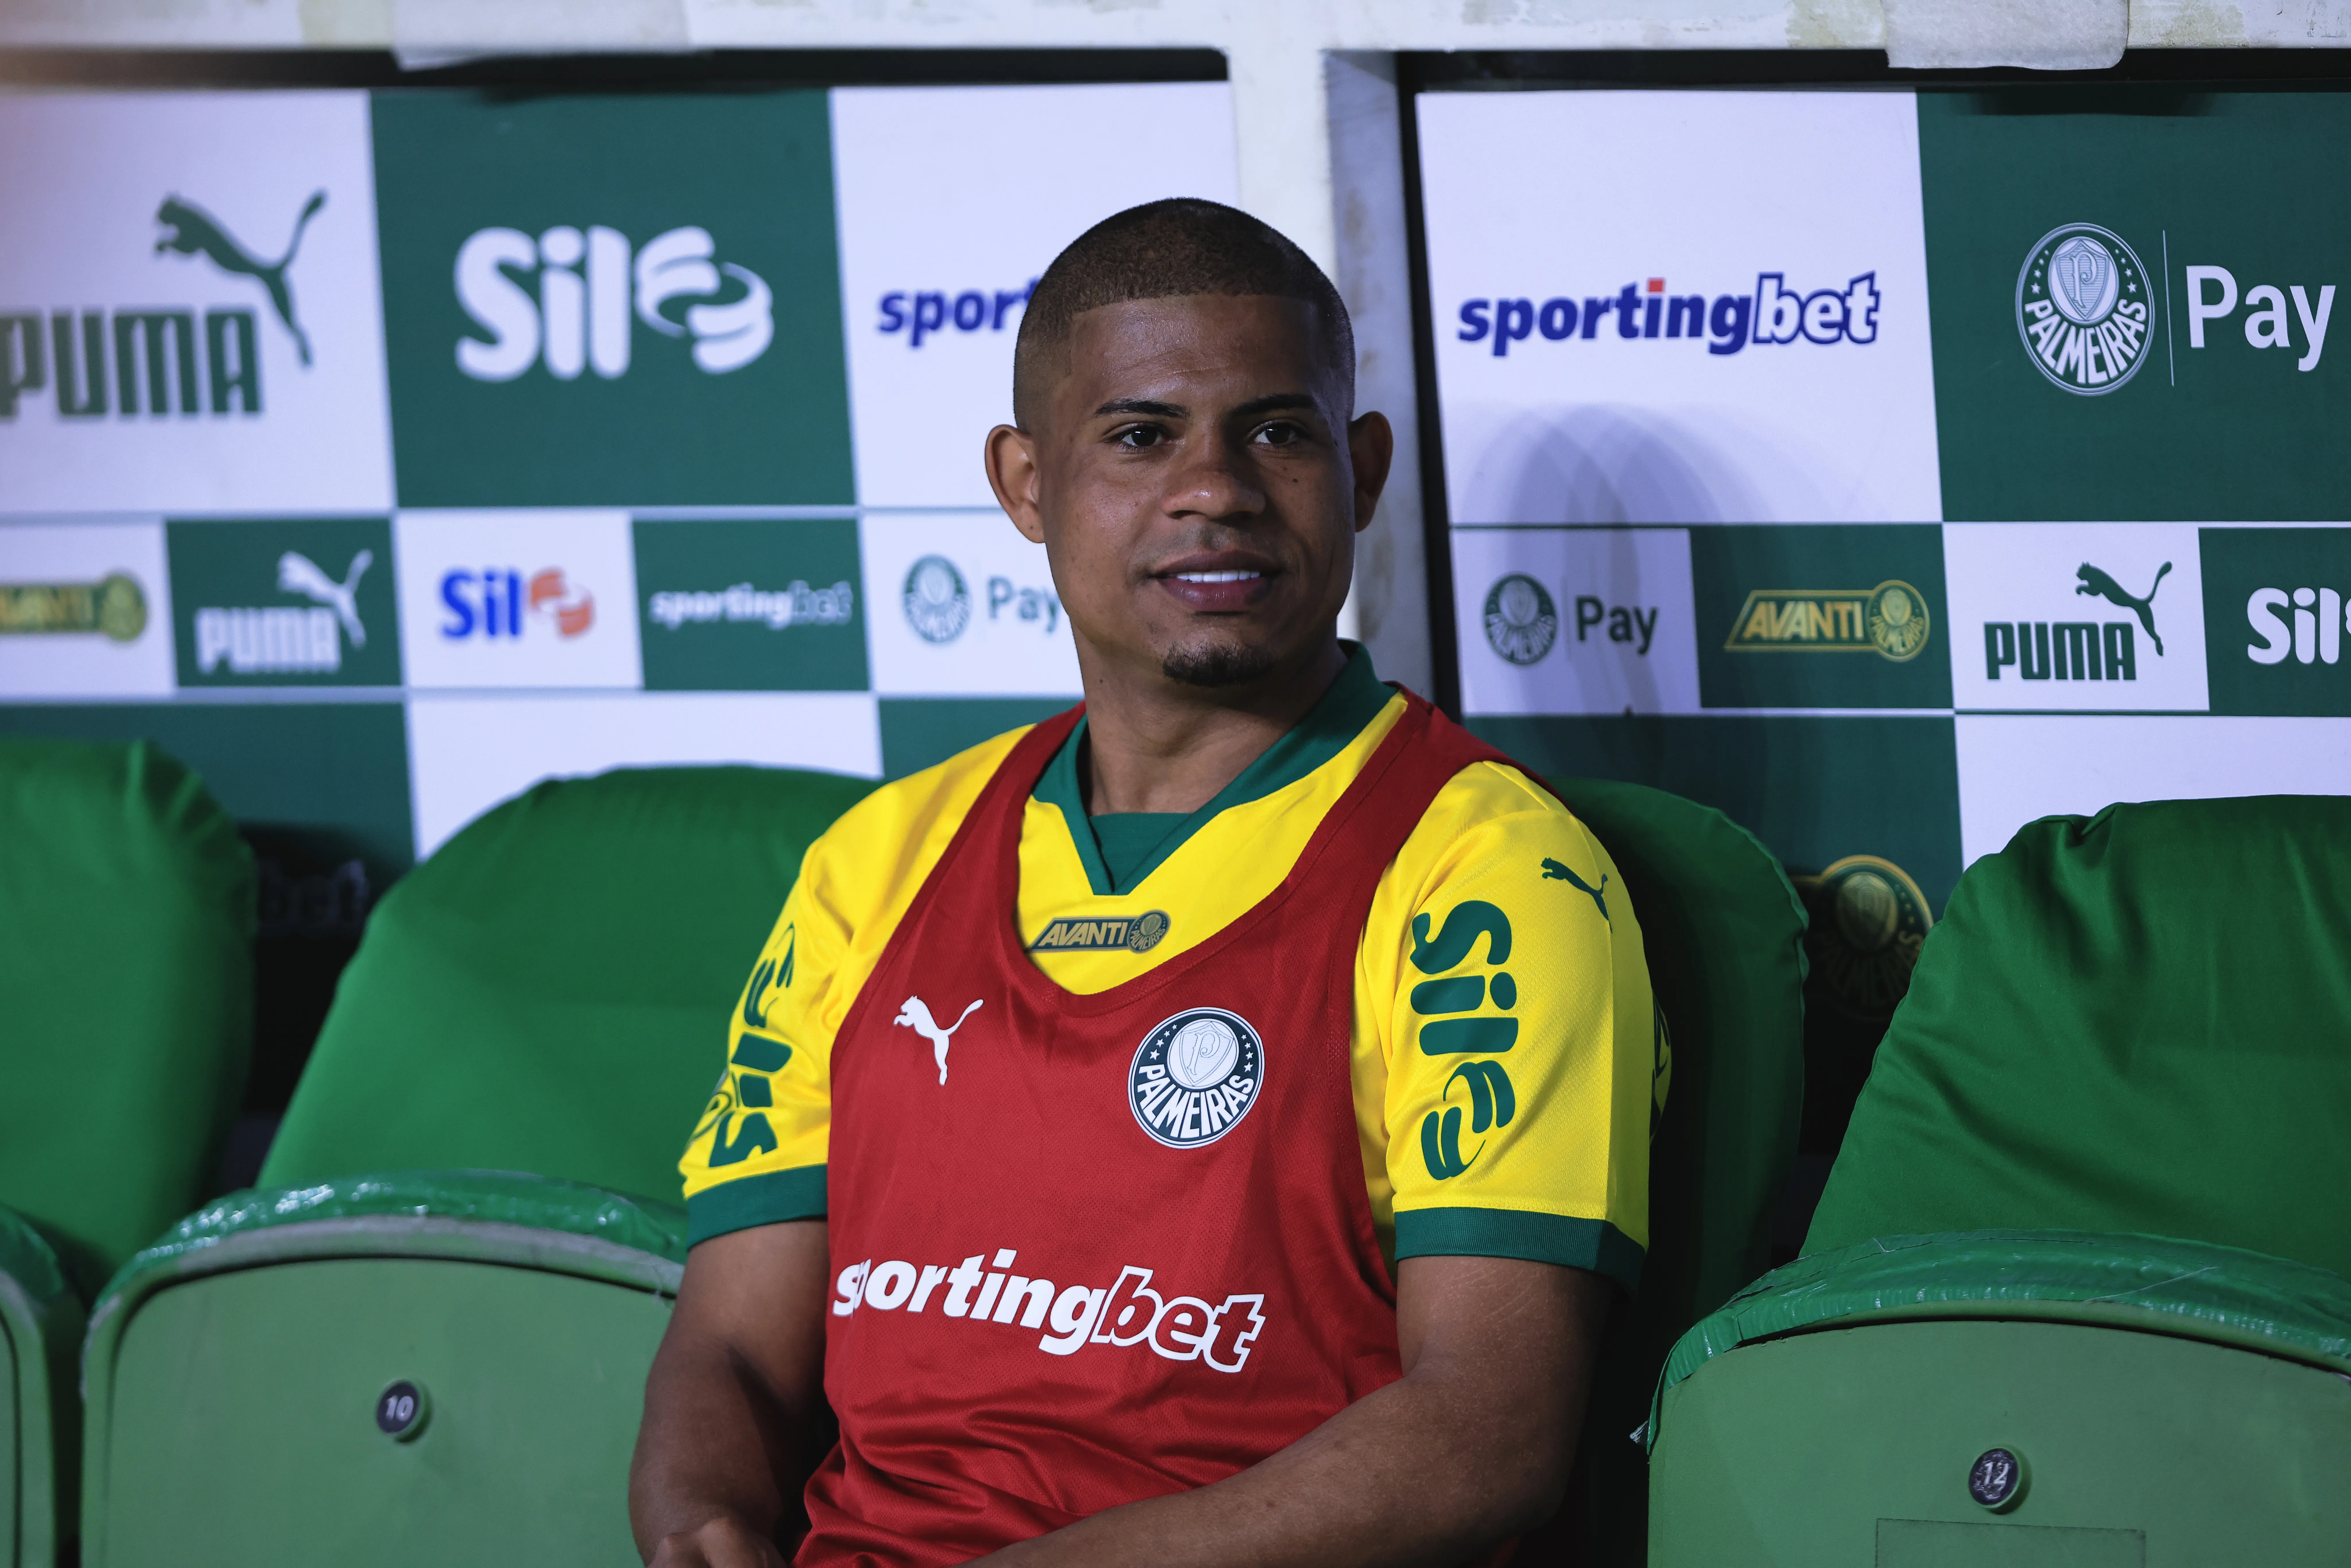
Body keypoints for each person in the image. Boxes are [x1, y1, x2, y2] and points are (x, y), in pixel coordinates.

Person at [630, 198, 1662, 1568]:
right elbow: (730, 1347)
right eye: (1139, 435)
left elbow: (1488, 1431)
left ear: (1360, 471)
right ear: (1024, 482)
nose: (1214, 487)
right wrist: (702, 1527)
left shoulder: (1487, 874)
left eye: (1277, 432)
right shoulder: (875, 861)